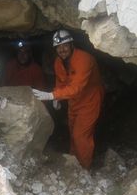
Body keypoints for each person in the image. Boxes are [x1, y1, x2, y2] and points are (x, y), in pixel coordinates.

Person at [32, 30, 104, 169]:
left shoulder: (84, 59)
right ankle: (73, 163)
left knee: (80, 136)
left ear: (71, 44)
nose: (62, 49)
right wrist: (56, 96)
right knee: (72, 132)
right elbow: (61, 82)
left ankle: (84, 168)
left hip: (90, 100)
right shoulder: (58, 62)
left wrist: (52, 95)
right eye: (58, 47)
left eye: (65, 45)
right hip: (74, 101)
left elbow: (77, 87)